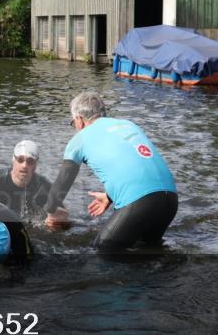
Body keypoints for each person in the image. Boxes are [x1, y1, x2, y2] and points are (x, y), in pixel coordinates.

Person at [44, 91, 177, 252]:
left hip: (140, 202)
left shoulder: (80, 139)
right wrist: (109, 195)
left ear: (79, 120)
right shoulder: (128, 124)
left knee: (102, 253)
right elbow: (138, 165)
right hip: (170, 199)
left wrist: (52, 213)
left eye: (73, 123)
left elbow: (60, 187)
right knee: (148, 252)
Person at [0, 140, 56, 220]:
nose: (24, 165)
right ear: (13, 161)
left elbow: (58, 216)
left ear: (35, 165)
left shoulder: (45, 187)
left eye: (30, 161)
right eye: (20, 160)